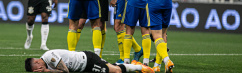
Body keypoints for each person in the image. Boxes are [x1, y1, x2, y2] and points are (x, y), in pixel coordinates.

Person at [24, 49, 154, 73]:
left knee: (115, 71)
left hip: (87, 61)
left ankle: (141, 68)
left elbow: (65, 71)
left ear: (36, 62)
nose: (39, 71)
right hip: (85, 64)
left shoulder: (49, 56)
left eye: (37, 69)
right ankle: (135, 65)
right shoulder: (46, 64)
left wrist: (46, 71)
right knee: (112, 67)